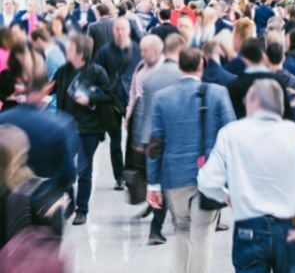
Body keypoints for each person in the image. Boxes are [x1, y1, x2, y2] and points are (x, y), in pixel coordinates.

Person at [197, 79, 295, 273]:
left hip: (248, 227)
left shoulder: (231, 134)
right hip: (290, 226)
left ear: (253, 102)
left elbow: (205, 180)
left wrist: (226, 197)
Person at [146, 48, 236, 273]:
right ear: (202, 65)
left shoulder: (162, 98)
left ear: (179, 66)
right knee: (202, 235)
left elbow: (155, 144)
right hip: (208, 177)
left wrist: (153, 184)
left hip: (175, 177)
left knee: (181, 231)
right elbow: (233, 136)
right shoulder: (217, 93)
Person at [53, 35, 114, 225]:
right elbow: (52, 89)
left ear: (80, 53)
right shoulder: (63, 71)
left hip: (89, 128)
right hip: (66, 126)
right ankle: (70, 200)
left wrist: (91, 99)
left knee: (84, 171)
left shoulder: (96, 72)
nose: (67, 51)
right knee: (64, 168)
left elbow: (109, 96)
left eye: (70, 48)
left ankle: (82, 209)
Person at [134, 34, 185, 243]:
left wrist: (138, 138)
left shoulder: (149, 77)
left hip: (152, 137)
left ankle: (156, 229)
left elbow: (141, 110)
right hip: (175, 135)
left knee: (157, 182)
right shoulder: (181, 74)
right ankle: (178, 220)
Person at [0, 72, 77, 201]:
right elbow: (68, 174)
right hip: (43, 203)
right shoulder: (59, 126)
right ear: (46, 89)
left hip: (6, 203)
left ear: (20, 89)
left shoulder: (3, 120)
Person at [95, 17, 141, 191]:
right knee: (115, 140)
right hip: (112, 100)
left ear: (128, 30)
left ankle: (133, 174)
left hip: (133, 98)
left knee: (134, 139)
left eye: (123, 29)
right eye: (117, 29)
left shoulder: (137, 50)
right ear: (113, 31)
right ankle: (119, 176)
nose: (120, 32)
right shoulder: (104, 51)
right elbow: (97, 72)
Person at [226, 39, 293, 121]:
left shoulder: (234, 86)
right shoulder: (277, 81)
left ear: (244, 59)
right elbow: (287, 114)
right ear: (263, 56)